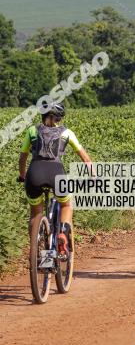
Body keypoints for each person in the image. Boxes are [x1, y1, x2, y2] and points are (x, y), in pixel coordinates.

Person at [18, 102, 92, 261]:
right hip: (56, 173)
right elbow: (86, 159)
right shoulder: (67, 133)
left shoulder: (32, 130)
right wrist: (93, 176)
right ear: (59, 118)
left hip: (34, 173)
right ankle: (62, 234)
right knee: (66, 204)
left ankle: (36, 250)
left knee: (35, 213)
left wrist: (22, 175)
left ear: (42, 116)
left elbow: (23, 156)